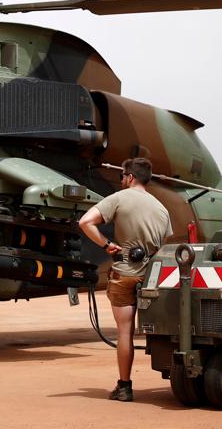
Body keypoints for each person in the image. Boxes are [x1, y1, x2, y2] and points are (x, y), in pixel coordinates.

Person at [78, 157, 172, 402]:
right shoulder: (161, 208)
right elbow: (163, 245)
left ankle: (124, 387)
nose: (121, 180)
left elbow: (85, 222)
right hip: (151, 277)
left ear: (130, 177)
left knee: (125, 332)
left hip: (124, 273)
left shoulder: (118, 199)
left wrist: (106, 244)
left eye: (122, 176)